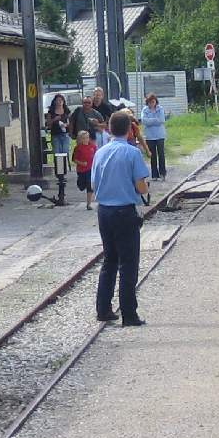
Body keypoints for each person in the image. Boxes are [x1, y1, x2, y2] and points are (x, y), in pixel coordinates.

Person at [91, 109, 150, 326]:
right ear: (129, 130)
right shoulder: (132, 153)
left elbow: (94, 183)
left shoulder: (100, 152)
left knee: (109, 260)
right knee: (128, 263)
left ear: (109, 129)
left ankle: (103, 308)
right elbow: (141, 187)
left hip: (104, 211)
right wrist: (143, 188)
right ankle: (129, 314)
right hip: (125, 211)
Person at [140, 93, 169, 180]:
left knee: (161, 154)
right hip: (149, 136)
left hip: (160, 135)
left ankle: (162, 173)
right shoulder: (144, 110)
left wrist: (151, 121)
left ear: (156, 101)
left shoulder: (160, 109)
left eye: (153, 102)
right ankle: (154, 175)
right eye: (150, 102)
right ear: (147, 102)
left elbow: (162, 120)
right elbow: (144, 121)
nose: (152, 104)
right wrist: (155, 120)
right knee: (152, 155)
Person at [71, 130, 97, 209]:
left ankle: (88, 204)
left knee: (90, 186)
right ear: (80, 139)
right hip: (81, 170)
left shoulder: (93, 146)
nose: (86, 139)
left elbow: (97, 156)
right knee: (81, 186)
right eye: (84, 138)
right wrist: (81, 163)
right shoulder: (78, 148)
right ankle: (81, 184)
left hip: (90, 169)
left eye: (87, 138)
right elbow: (74, 159)